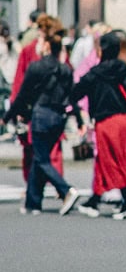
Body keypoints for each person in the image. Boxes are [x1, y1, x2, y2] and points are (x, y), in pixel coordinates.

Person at [5, 33, 82, 215]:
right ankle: (33, 202)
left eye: (40, 42)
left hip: (41, 115)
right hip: (59, 117)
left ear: (47, 46)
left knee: (41, 158)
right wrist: (78, 120)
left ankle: (66, 190)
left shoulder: (36, 67)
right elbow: (72, 97)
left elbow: (23, 95)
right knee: (39, 157)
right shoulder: (65, 69)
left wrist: (8, 116)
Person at [71, 29, 126, 218]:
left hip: (106, 121)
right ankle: (94, 200)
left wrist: (78, 115)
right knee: (111, 161)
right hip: (125, 120)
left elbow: (75, 92)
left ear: (101, 50)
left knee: (112, 162)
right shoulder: (122, 68)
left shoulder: (95, 73)